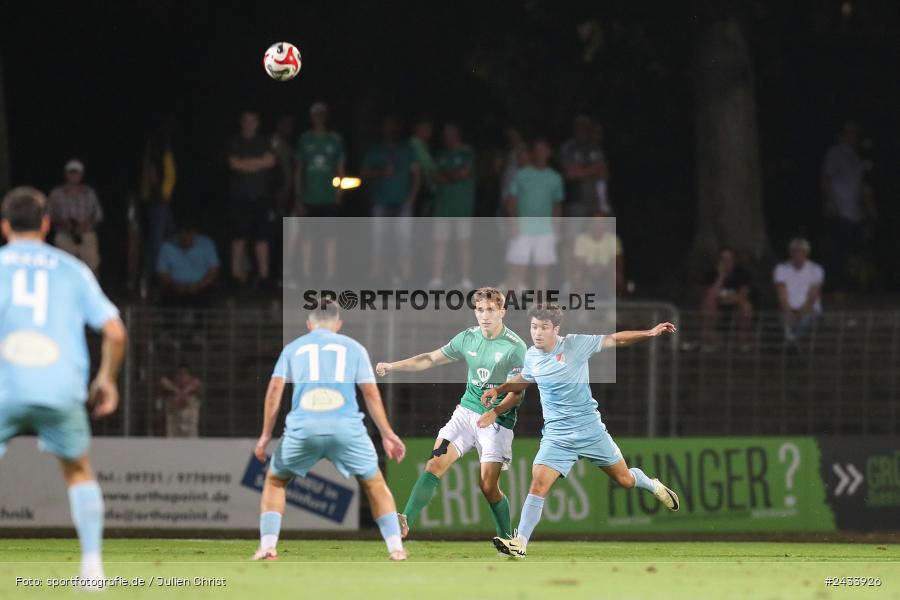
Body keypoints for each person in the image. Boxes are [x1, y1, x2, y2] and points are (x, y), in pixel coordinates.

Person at [0, 187, 127, 586]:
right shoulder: (72, 268)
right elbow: (115, 332)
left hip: (5, 383)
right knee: (77, 471)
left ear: (4, 227)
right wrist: (106, 378)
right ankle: (92, 569)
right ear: (46, 224)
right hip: (59, 386)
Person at [481, 304, 678, 558]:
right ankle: (520, 543)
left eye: (543, 327)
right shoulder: (531, 355)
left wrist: (649, 333)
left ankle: (652, 485)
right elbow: (525, 379)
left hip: (590, 430)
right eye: (533, 327)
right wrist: (498, 390)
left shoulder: (574, 345)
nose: (537, 333)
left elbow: (615, 339)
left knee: (625, 480)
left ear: (556, 329)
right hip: (557, 436)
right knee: (538, 483)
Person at [252, 300, 408, 561]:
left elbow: (275, 390)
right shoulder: (355, 348)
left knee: (276, 481)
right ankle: (396, 549)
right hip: (346, 429)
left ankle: (268, 547)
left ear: (308, 324)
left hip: (303, 429)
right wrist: (387, 433)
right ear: (338, 325)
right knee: (375, 484)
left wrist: (266, 434)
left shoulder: (292, 348)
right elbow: (370, 392)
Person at [375, 287, 526, 545]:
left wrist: (496, 411)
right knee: (434, 464)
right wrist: (393, 366)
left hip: (498, 422)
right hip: (466, 413)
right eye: (480, 310)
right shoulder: (467, 338)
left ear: (502, 312)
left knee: (488, 487)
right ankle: (405, 519)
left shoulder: (516, 346)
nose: (485, 315)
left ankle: (507, 539)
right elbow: (429, 359)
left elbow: (518, 392)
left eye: (491, 310)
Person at [362, 116, 420, 285]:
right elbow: (364, 173)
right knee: (379, 239)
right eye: (387, 126)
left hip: (403, 202)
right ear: (382, 129)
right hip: (381, 201)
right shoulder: (375, 150)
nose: (390, 130)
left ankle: (405, 275)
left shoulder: (406, 149)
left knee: (403, 240)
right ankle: (377, 276)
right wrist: (381, 173)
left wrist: (412, 198)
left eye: (393, 126)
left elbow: (416, 175)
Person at [294, 102, 345, 281]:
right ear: (311, 117)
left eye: (322, 114)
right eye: (316, 114)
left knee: (330, 238)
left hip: (328, 197)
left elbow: (340, 168)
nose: (319, 117)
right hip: (309, 197)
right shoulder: (305, 139)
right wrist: (298, 196)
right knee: (307, 238)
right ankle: (307, 275)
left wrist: (339, 192)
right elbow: (299, 169)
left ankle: (330, 275)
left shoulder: (335, 139)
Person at [504, 140, 563, 293]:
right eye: (537, 149)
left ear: (549, 153)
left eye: (544, 149)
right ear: (532, 153)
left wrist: (556, 228)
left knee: (542, 270)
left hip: (545, 230)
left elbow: (557, 205)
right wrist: (513, 223)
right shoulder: (521, 175)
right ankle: (508, 308)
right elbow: (511, 200)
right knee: (516, 269)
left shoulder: (555, 178)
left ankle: (539, 307)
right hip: (522, 229)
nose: (541, 153)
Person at [821, 121, 873, 291]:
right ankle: (837, 286)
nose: (853, 136)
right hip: (840, 209)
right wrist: (830, 202)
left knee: (856, 252)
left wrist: (868, 209)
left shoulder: (856, 155)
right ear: (842, 134)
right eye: (849, 133)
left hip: (856, 212)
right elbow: (826, 178)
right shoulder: (835, 152)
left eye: (855, 133)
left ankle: (856, 285)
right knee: (839, 250)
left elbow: (862, 186)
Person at [227, 111, 277, 286]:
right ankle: (237, 276)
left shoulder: (265, 141)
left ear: (258, 123)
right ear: (241, 122)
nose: (249, 123)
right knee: (239, 237)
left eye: (252, 120)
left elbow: (271, 162)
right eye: (245, 120)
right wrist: (259, 163)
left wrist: (246, 163)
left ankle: (263, 276)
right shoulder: (235, 141)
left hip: (262, 196)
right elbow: (234, 164)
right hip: (240, 196)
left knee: (262, 237)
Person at [560, 115, 610, 289]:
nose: (583, 130)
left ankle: (592, 282)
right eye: (580, 127)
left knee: (594, 242)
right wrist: (591, 171)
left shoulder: (595, 148)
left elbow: (603, 172)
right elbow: (570, 173)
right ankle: (568, 280)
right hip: (575, 202)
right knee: (571, 242)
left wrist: (582, 171)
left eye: (586, 127)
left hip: (594, 204)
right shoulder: (568, 148)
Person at [430, 122, 475, 289]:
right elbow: (435, 176)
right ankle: (436, 279)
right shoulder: (441, 154)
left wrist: (447, 175)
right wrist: (453, 175)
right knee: (439, 243)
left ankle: (465, 279)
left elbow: (463, 173)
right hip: (443, 207)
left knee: (463, 243)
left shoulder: (466, 153)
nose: (446, 136)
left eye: (449, 132)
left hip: (462, 208)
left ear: (456, 134)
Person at [48, 159, 103, 274]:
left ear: (81, 175)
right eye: (71, 172)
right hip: (64, 234)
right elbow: (49, 215)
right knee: (63, 268)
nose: (73, 176)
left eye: (76, 173)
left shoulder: (89, 192)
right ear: (66, 174)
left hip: (86, 234)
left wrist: (85, 225)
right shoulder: (56, 193)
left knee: (92, 267)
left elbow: (98, 215)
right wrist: (62, 223)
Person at [156, 222, 220, 307]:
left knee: (205, 301)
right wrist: (174, 284)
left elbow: (214, 271)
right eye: (182, 237)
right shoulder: (167, 246)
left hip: (201, 287)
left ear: (194, 234)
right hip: (175, 287)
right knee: (167, 299)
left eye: (188, 236)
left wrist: (199, 285)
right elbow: (162, 272)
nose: (185, 239)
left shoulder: (206, 244)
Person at [700, 247, 753, 349]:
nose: (726, 262)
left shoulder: (742, 274)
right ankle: (709, 342)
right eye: (723, 259)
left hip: (735, 308)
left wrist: (724, 300)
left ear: (734, 260)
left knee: (746, 306)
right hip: (717, 309)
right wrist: (720, 277)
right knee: (708, 304)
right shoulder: (712, 274)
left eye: (729, 259)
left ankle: (742, 342)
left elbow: (743, 295)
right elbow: (710, 296)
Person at [774, 238, 824, 343]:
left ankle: (792, 342)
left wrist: (800, 313)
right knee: (785, 320)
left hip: (809, 310)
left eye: (800, 251)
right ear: (790, 252)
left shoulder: (816, 269)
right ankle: (793, 342)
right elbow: (782, 295)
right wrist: (789, 312)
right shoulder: (781, 268)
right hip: (787, 309)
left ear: (806, 253)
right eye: (794, 251)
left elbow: (812, 296)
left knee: (803, 322)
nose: (797, 254)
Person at [571, 212, 624, 300]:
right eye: (595, 222)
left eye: (601, 222)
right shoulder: (581, 239)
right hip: (587, 272)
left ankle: (613, 301)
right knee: (577, 274)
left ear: (606, 224)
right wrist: (589, 269)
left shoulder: (613, 239)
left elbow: (617, 261)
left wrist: (604, 268)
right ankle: (580, 304)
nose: (598, 225)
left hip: (607, 272)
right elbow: (578, 262)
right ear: (589, 224)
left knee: (615, 273)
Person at [159, 365, 202, 438]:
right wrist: (177, 391)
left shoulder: (195, 397)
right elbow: (163, 380)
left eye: (185, 374)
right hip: (173, 435)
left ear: (190, 377)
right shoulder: (169, 398)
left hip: (190, 435)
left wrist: (182, 392)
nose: (182, 377)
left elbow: (197, 382)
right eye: (179, 374)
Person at [409, 115, 437, 217]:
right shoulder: (412, 144)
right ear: (417, 128)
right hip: (419, 191)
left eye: (429, 129)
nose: (428, 132)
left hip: (428, 191)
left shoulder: (425, 146)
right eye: (425, 128)